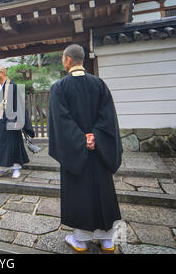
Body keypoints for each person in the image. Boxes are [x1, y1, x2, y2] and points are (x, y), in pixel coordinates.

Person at [48, 44, 123, 254]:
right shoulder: (99, 84)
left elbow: (61, 121)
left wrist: (80, 140)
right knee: (103, 191)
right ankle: (107, 240)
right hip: (100, 152)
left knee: (79, 192)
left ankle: (80, 240)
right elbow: (108, 118)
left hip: (75, 154)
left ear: (68, 60)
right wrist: (96, 137)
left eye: (63, 59)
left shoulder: (59, 88)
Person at [0, 66, 34, 179]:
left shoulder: (13, 86)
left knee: (13, 144)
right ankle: (0, 169)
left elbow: (19, 104)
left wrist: (19, 121)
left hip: (11, 119)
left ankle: (16, 168)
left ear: (3, 73)